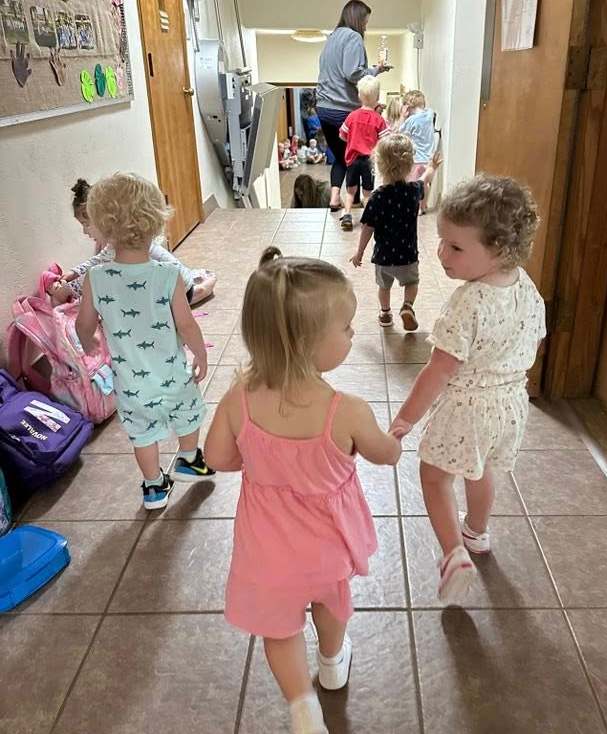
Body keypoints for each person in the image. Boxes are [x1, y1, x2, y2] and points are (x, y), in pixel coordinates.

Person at [204, 247, 401, 734]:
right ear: (305, 343)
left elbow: (217, 457)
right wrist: (394, 439)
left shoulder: (238, 399)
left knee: (279, 627)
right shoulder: (346, 410)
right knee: (330, 603)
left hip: (267, 548)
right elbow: (385, 455)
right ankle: (332, 663)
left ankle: (301, 705)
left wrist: (258, 465)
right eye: (346, 328)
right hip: (327, 544)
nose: (352, 334)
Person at [389, 175, 546, 605]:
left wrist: (405, 418)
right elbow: (533, 341)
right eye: (442, 241)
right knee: (482, 469)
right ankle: (476, 532)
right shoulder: (526, 287)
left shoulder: (468, 303)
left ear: (500, 250)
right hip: (510, 405)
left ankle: (453, 554)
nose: (442, 253)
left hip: (468, 409)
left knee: (435, 477)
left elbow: (438, 371)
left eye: (456, 247)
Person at [75, 173, 215, 510]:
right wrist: (200, 355)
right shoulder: (168, 275)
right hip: (172, 375)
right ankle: (188, 458)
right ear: (156, 223)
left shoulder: (96, 277)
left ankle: (154, 487)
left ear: (102, 228)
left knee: (143, 434)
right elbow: (186, 324)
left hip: (130, 383)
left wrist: (88, 342)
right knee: (188, 412)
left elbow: (84, 325)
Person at [49, 179, 215, 305]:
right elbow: (98, 261)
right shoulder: (116, 243)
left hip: (176, 292)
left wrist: (67, 290)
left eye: (86, 225)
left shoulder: (124, 248)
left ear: (105, 221)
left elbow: (94, 276)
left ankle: (199, 290)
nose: (84, 232)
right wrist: (74, 272)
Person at [349, 134, 441, 331]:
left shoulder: (377, 197)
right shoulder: (413, 191)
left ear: (379, 165)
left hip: (384, 257)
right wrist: (432, 167)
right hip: (408, 255)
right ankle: (407, 306)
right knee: (412, 282)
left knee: (384, 287)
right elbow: (425, 179)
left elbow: (367, 228)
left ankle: (385, 313)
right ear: (409, 165)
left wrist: (360, 252)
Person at [316, 1, 390, 212]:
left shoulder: (332, 37)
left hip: (323, 107)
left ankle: (334, 199)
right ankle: (355, 204)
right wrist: (376, 70)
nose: (365, 26)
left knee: (341, 156)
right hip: (342, 108)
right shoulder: (353, 37)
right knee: (358, 158)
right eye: (365, 21)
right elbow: (353, 73)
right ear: (357, 19)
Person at [337, 75, 389, 231]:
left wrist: (353, 140)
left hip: (352, 160)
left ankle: (347, 214)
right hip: (369, 161)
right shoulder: (378, 119)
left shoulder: (352, 116)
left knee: (350, 191)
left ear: (359, 95)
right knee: (367, 192)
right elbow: (385, 140)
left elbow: (342, 135)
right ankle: (368, 218)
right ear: (377, 97)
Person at [399, 90, 437, 214]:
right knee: (426, 184)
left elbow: (400, 134)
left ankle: (415, 207)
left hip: (416, 159)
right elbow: (430, 111)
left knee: (414, 184)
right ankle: (423, 206)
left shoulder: (411, 120)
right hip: (429, 159)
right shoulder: (429, 115)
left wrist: (403, 117)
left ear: (408, 107)